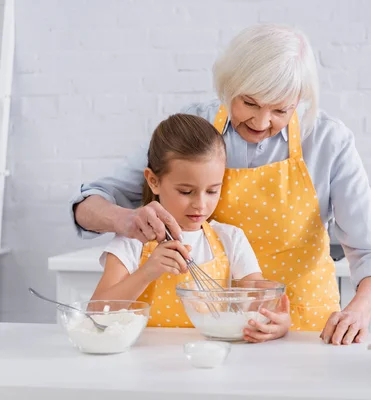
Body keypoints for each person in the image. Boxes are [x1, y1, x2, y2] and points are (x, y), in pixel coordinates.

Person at [71, 23, 371, 345]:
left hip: (303, 330)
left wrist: (358, 312)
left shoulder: (328, 142)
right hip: (211, 332)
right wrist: (125, 220)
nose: (261, 122)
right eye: (249, 103)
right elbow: (91, 202)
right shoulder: (197, 128)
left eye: (280, 110)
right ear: (228, 86)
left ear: (299, 99)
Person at [90, 113, 290, 343]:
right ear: (153, 181)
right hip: (145, 363)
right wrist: (147, 272)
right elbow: (96, 312)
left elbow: (257, 298)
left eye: (213, 190)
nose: (201, 204)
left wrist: (274, 321)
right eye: (186, 191)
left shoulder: (230, 239)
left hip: (210, 359)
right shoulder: (133, 241)